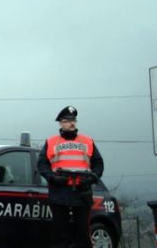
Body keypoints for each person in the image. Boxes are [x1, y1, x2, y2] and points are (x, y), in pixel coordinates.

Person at [37, 106, 104, 248]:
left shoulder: (87, 141)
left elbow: (98, 164)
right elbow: (42, 164)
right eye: (68, 120)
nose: (72, 123)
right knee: (60, 235)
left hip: (81, 193)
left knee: (83, 235)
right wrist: (52, 178)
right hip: (59, 192)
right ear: (60, 123)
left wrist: (92, 178)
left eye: (74, 120)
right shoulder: (51, 141)